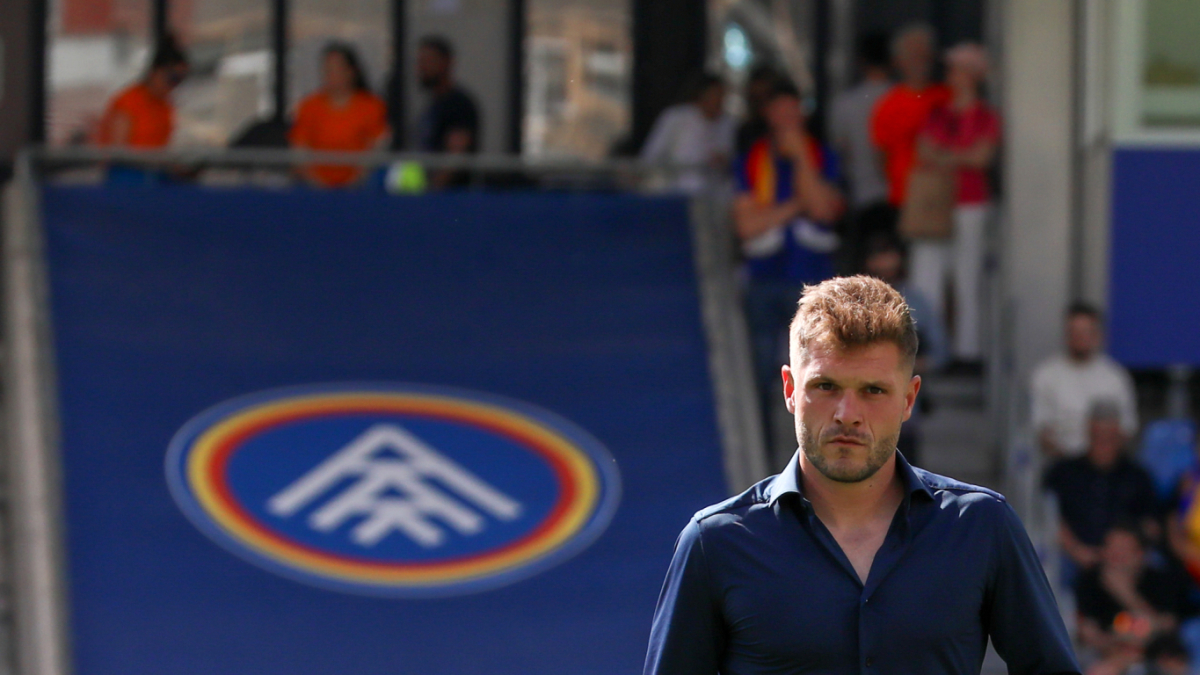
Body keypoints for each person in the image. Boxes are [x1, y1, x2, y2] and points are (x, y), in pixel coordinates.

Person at [644, 275, 1080, 675]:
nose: (847, 415)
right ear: (791, 389)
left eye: (873, 390)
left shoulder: (982, 527)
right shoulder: (715, 543)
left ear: (909, 399)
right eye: (826, 386)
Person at [732, 79, 844, 457]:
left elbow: (825, 211)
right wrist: (797, 205)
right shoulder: (752, 159)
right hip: (764, 280)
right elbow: (747, 226)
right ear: (767, 115)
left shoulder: (821, 155)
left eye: (793, 110)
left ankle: (812, 452)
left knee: (816, 375)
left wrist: (800, 160)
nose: (786, 119)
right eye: (778, 110)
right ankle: (764, 454)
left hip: (812, 284)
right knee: (764, 375)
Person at [912, 43, 1000, 366]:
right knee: (927, 277)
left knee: (968, 277)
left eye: (956, 70)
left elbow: (983, 157)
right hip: (937, 204)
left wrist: (945, 155)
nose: (950, 76)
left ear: (971, 75)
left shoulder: (986, 116)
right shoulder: (937, 111)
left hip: (970, 203)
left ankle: (968, 352)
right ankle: (929, 347)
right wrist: (962, 156)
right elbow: (925, 152)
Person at [862, 234, 948, 466]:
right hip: (861, 408)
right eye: (878, 257)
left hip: (902, 411)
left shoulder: (916, 300)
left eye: (888, 255)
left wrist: (910, 363)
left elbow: (940, 353)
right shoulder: (853, 299)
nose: (884, 263)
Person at [1043, 401, 1161, 572]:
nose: (1104, 445)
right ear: (1089, 434)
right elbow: (1049, 516)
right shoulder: (1063, 473)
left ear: (1120, 437)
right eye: (1098, 437)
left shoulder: (1138, 476)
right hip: (1074, 556)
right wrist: (1076, 550)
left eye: (1110, 438)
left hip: (1127, 560)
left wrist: (1129, 553)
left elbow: (1151, 525)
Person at [1074, 523, 1189, 675]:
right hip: (1105, 654)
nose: (1114, 555)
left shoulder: (1160, 580)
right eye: (1110, 547)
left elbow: (1167, 627)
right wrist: (1115, 646)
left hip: (1154, 656)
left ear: (1139, 554)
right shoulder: (1090, 579)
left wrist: (1126, 594)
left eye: (1122, 549)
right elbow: (1087, 631)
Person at [1031, 303, 1139, 459]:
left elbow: (1127, 429)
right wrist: (1070, 464)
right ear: (1066, 333)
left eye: (1085, 331)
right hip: (1059, 465)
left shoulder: (1115, 376)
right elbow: (1040, 429)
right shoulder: (1045, 375)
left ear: (1097, 334)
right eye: (1075, 332)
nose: (1080, 337)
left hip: (1105, 467)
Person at [831, 33, 895, 273]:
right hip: (898, 196)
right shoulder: (898, 97)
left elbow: (840, 150)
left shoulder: (845, 103)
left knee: (863, 272)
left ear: (861, 62)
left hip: (860, 194)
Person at [870, 23, 951, 209]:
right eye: (913, 55)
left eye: (924, 55)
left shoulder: (948, 96)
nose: (920, 60)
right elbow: (881, 157)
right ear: (898, 61)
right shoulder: (888, 104)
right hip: (905, 197)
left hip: (949, 194)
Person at [289, 43, 389, 188]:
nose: (330, 74)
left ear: (351, 71)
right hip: (315, 188)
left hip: (359, 189)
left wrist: (355, 181)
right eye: (327, 69)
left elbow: (378, 146)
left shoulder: (372, 106)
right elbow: (299, 149)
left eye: (337, 68)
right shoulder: (309, 106)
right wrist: (317, 183)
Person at [95, 33, 189, 184]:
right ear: (156, 72)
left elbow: (162, 148)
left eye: (180, 81)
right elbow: (118, 152)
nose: (174, 86)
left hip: (156, 175)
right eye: (173, 79)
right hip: (127, 177)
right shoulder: (128, 101)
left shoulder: (165, 107)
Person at [640, 72, 736, 194]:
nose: (718, 101)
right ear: (702, 95)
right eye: (715, 95)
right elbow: (651, 155)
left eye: (722, 96)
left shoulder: (727, 124)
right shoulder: (675, 117)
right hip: (674, 192)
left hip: (711, 196)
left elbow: (730, 161)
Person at [415, 35, 480, 188]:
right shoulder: (433, 104)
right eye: (420, 61)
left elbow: (456, 154)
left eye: (428, 61)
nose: (422, 67)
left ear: (446, 62)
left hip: (451, 197)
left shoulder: (459, 104)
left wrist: (434, 188)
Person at [735, 65, 780, 157]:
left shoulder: (797, 135)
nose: (763, 104)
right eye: (757, 99)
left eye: (766, 96)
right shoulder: (746, 133)